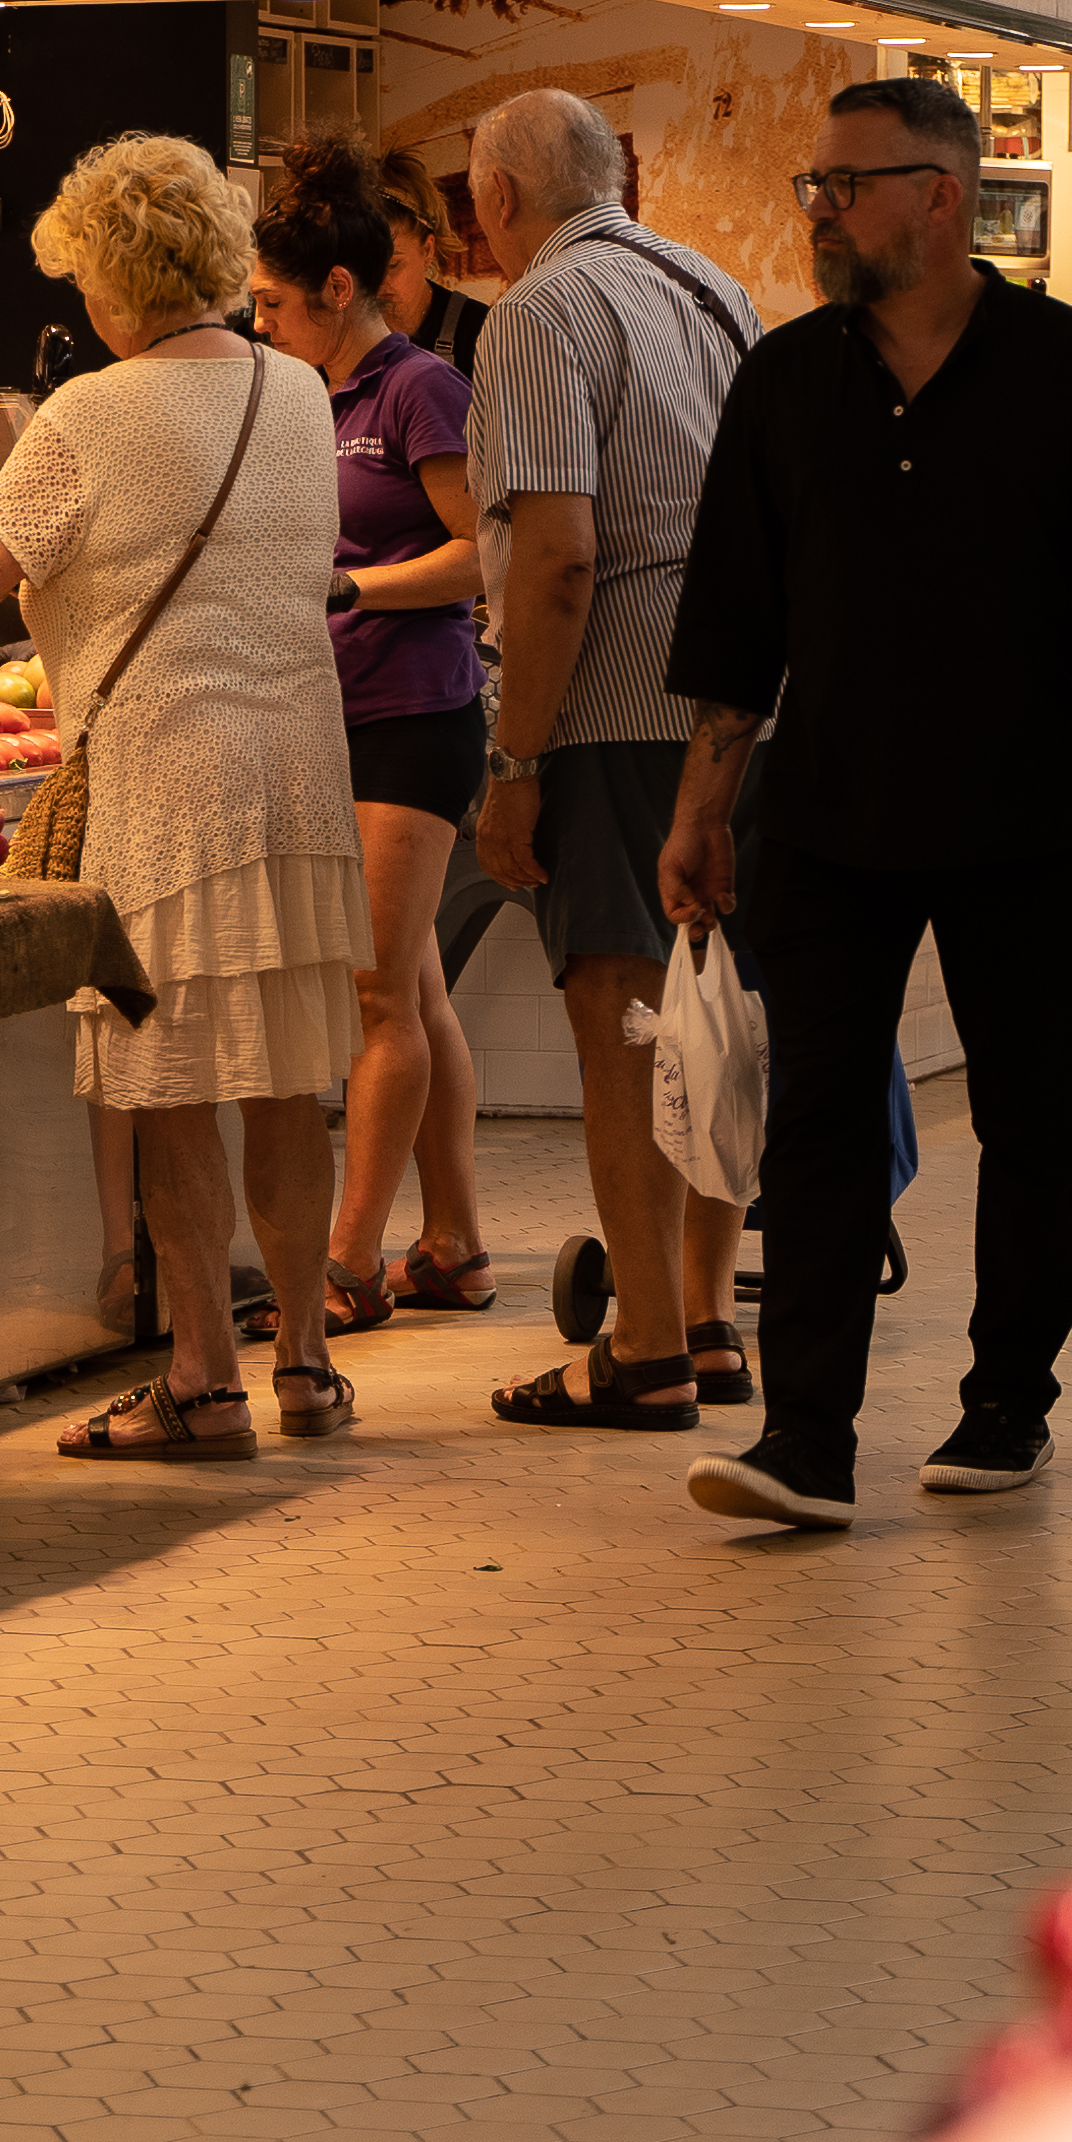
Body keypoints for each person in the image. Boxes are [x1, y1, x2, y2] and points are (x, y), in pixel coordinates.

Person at [663, 77, 1072, 1529]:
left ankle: (1007, 1399)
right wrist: (703, 807)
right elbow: (735, 629)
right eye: (813, 187)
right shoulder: (782, 382)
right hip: (822, 814)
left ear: (940, 197)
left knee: (1033, 1117)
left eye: (846, 184)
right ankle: (806, 1439)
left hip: (1021, 812)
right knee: (817, 1124)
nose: (820, 209)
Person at [0, 135, 371, 1461]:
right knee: (288, 1081)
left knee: (166, 1081)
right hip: (298, 779)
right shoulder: (298, 389)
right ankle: (302, 1361)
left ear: (113, 276)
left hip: (162, 791)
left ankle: (200, 1383)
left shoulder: (87, 413)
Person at [460, 88, 761, 1435]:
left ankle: (639, 1345)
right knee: (715, 1020)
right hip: (741, 701)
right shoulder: (713, 290)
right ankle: (705, 1319)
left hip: (621, 705)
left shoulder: (535, 312)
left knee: (625, 1029)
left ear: (499, 203)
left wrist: (518, 756)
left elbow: (559, 557)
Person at [256, 144, 499, 1332]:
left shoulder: (419, 389)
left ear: (338, 290)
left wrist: (356, 592)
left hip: (415, 713)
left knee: (374, 998)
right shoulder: (301, 393)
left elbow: (477, 552)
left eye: (270, 303)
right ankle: (452, 1243)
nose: (258, 320)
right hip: (330, 712)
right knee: (419, 989)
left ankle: (346, 1268)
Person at [377, 145, 494, 377]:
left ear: (428, 249)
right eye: (363, 265)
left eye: (392, 265)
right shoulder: (343, 330)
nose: (377, 280)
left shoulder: (479, 331)